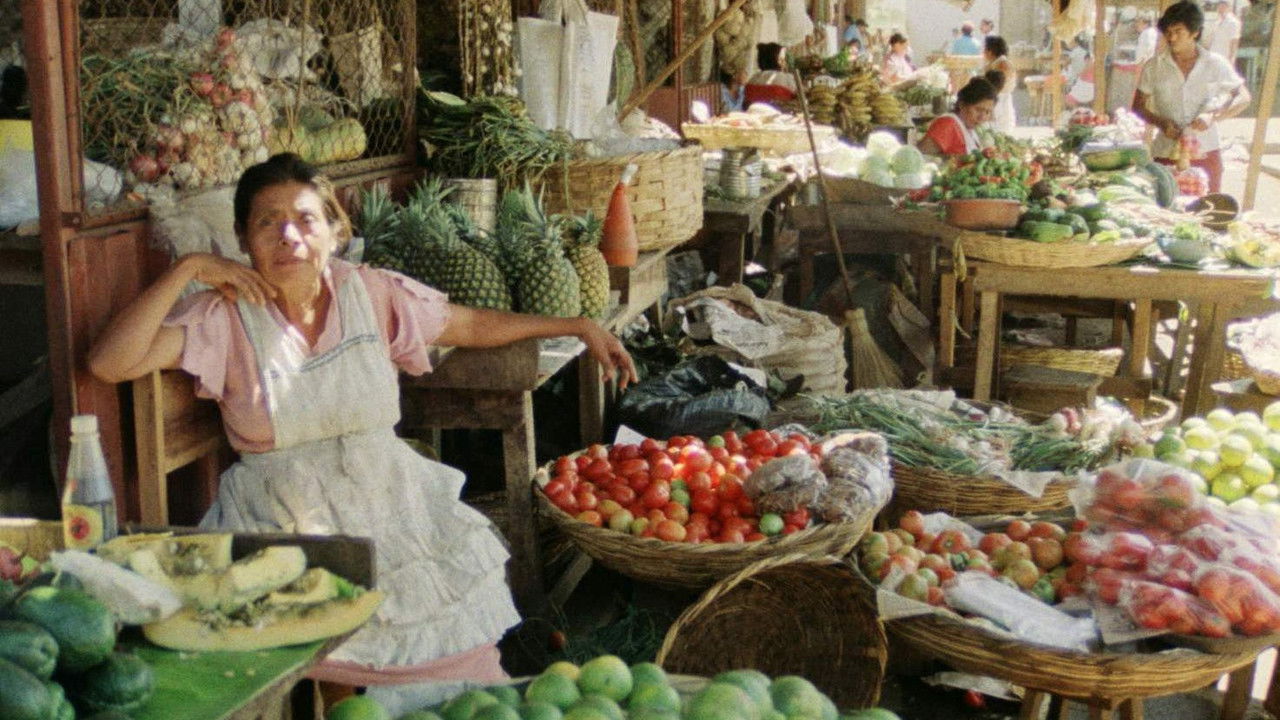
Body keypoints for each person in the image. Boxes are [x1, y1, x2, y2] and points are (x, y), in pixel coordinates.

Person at [86, 153, 638, 706]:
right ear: (242, 240)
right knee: (352, 673)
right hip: (286, 519)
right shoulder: (226, 316)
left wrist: (574, 325)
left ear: (334, 229)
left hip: (391, 497)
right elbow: (109, 363)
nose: (287, 235)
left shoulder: (369, 293)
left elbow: (466, 323)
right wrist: (187, 270)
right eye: (265, 222)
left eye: (304, 219)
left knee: (463, 678)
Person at [1132, 0, 1251, 193]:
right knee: (1165, 213)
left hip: (1206, 153)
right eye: (1168, 33)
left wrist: (1213, 116)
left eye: (1178, 31)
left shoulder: (1215, 64)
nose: (1172, 38)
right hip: (1165, 153)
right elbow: (1138, 106)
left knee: (1208, 212)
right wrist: (1162, 123)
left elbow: (1243, 96)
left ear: (1195, 32)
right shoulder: (1154, 66)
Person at [918, 76, 998, 157]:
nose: (982, 117)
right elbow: (919, 155)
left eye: (988, 112)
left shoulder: (970, 128)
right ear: (962, 105)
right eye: (978, 110)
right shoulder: (947, 125)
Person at [744, 43, 798, 107]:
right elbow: (797, 97)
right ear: (776, 60)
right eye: (782, 59)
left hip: (753, 114)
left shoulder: (753, 79)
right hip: (780, 114)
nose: (785, 63)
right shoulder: (787, 78)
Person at [983, 35, 1016, 132]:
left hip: (1000, 99)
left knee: (1000, 128)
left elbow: (1000, 83)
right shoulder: (995, 63)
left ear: (990, 50)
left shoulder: (1002, 63)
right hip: (996, 98)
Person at [1204, 0, 1242, 64]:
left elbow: (1234, 42)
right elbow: (1211, 40)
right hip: (1213, 57)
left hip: (1224, 59)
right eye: (1219, 5)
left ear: (1228, 7)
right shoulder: (1217, 22)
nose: (1220, 8)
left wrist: (1231, 59)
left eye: (1223, 5)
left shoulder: (1233, 22)